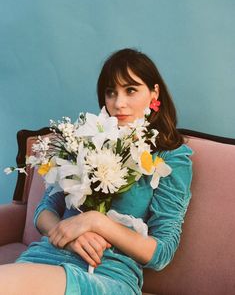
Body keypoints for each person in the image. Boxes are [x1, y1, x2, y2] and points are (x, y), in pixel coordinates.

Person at [0, 48, 193, 295]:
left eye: (131, 90)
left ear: (154, 93)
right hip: (46, 256)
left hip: (107, 273)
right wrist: (69, 238)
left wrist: (94, 220)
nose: (118, 103)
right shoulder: (88, 139)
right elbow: (44, 211)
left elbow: (161, 253)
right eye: (111, 92)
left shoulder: (171, 157)